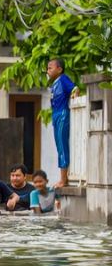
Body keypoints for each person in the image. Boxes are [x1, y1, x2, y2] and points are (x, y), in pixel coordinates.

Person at [47, 58, 78, 188]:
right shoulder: (54, 83)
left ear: (59, 69)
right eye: (47, 68)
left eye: (50, 68)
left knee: (62, 147)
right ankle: (62, 178)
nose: (47, 70)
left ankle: (63, 179)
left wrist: (74, 95)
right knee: (59, 146)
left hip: (62, 114)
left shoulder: (63, 79)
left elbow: (75, 88)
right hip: (55, 115)